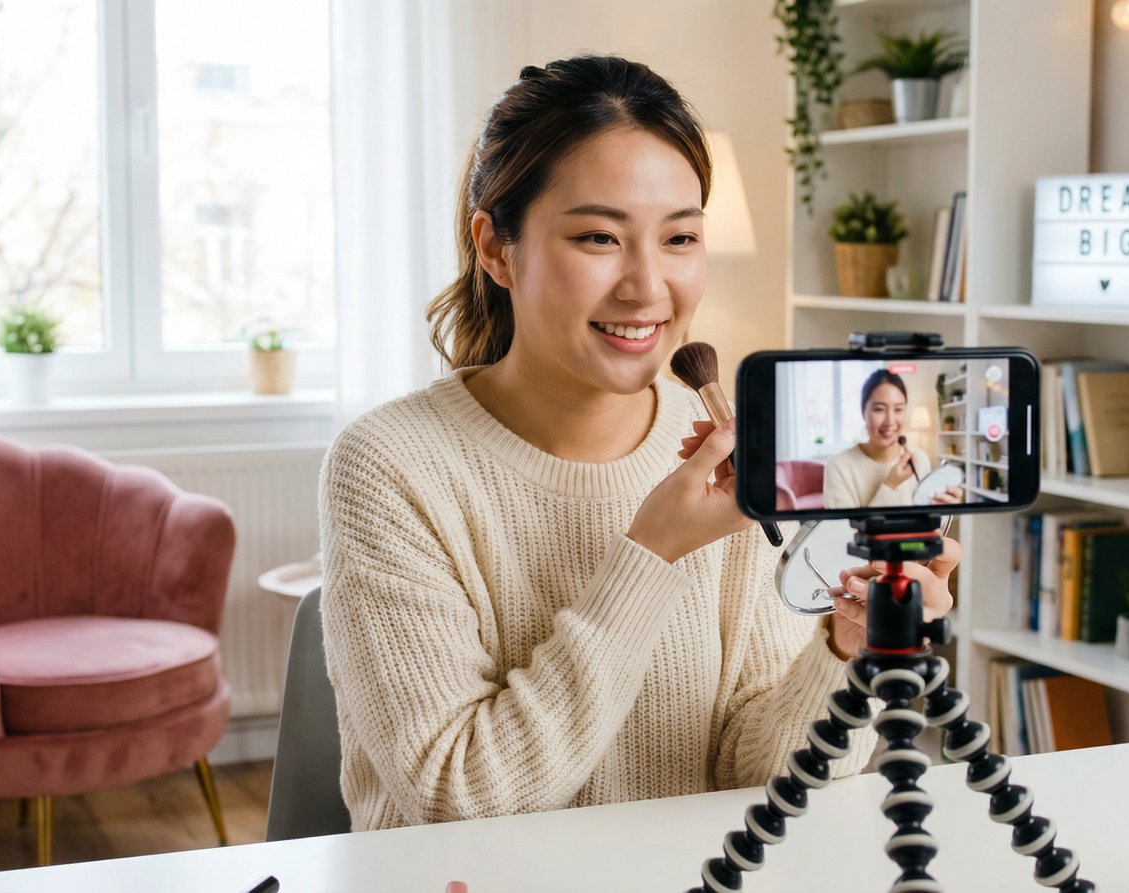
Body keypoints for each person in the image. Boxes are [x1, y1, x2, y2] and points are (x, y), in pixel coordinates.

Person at [318, 54, 959, 832]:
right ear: (495, 248)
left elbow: (759, 775)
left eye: (680, 238)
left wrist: (845, 650)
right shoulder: (389, 465)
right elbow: (462, 797)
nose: (648, 287)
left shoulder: (729, 457)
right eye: (598, 238)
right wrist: (650, 554)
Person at [824, 369, 965, 509]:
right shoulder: (838, 466)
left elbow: (929, 526)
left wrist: (945, 510)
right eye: (879, 409)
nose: (890, 421)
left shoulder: (919, 460)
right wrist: (890, 485)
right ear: (863, 412)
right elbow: (842, 531)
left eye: (898, 409)